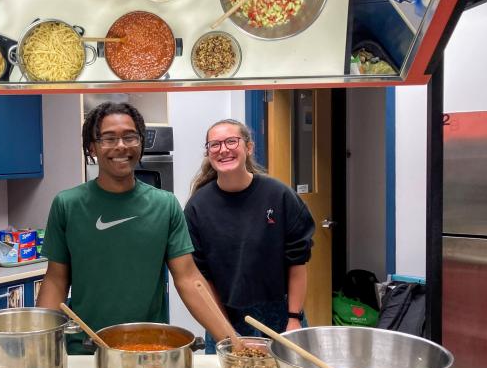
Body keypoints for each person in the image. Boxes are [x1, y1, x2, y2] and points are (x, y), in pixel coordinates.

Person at [36, 102, 232, 354]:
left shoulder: (165, 205)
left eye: (130, 137)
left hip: (149, 349)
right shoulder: (68, 204)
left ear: (141, 143)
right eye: (108, 138)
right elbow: (55, 281)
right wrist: (39, 347)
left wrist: (230, 341)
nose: (121, 146)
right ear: (91, 147)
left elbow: (189, 279)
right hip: (84, 349)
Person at [184, 119, 315, 354]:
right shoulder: (198, 207)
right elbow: (204, 279)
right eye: (214, 145)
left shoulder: (279, 196)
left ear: (249, 147)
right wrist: (226, 332)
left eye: (231, 141)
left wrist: (293, 319)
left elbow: (297, 262)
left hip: (281, 317)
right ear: (208, 152)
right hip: (226, 316)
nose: (223, 149)